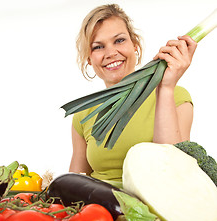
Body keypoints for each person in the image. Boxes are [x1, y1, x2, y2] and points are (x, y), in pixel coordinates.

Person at [69, 4, 197, 183]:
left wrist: (165, 89)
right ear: (89, 59)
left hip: (151, 208)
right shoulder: (84, 113)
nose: (111, 53)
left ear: (135, 45)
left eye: (119, 40)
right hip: (99, 209)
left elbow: (172, 173)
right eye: (98, 47)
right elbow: (74, 182)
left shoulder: (176, 96)